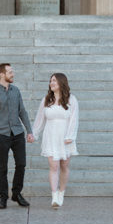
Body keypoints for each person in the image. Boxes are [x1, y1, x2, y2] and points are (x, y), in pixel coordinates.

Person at [0, 63, 34, 209]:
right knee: (2, 168)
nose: (13, 74)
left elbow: (22, 112)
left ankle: (16, 194)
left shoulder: (16, 91)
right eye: (10, 72)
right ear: (2, 75)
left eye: (12, 71)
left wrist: (29, 131)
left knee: (21, 164)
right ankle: (3, 197)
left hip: (18, 133)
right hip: (3, 135)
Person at [32, 72, 79, 209]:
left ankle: (61, 192)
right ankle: (54, 197)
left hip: (65, 138)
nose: (51, 83)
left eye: (54, 81)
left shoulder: (72, 99)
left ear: (61, 83)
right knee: (54, 166)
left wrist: (70, 136)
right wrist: (34, 134)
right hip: (51, 136)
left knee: (64, 166)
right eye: (51, 81)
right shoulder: (46, 100)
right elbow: (40, 120)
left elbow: (74, 119)